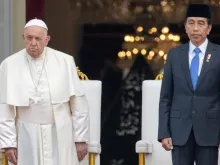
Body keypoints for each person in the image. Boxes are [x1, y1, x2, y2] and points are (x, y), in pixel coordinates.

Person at [0, 18, 89, 165]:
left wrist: (80, 139)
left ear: (47, 39)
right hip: (26, 134)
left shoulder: (65, 61)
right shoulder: (9, 65)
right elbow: (4, 107)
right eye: (29, 38)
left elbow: (78, 103)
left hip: (60, 132)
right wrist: (9, 143)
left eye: (38, 39)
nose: (33, 43)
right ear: (23, 37)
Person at [158, 4, 220, 165]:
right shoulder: (174, 55)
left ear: (209, 28)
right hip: (179, 131)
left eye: (201, 23)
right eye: (191, 23)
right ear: (185, 27)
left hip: (210, 131)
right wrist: (164, 133)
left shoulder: (218, 54)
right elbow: (166, 97)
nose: (195, 28)